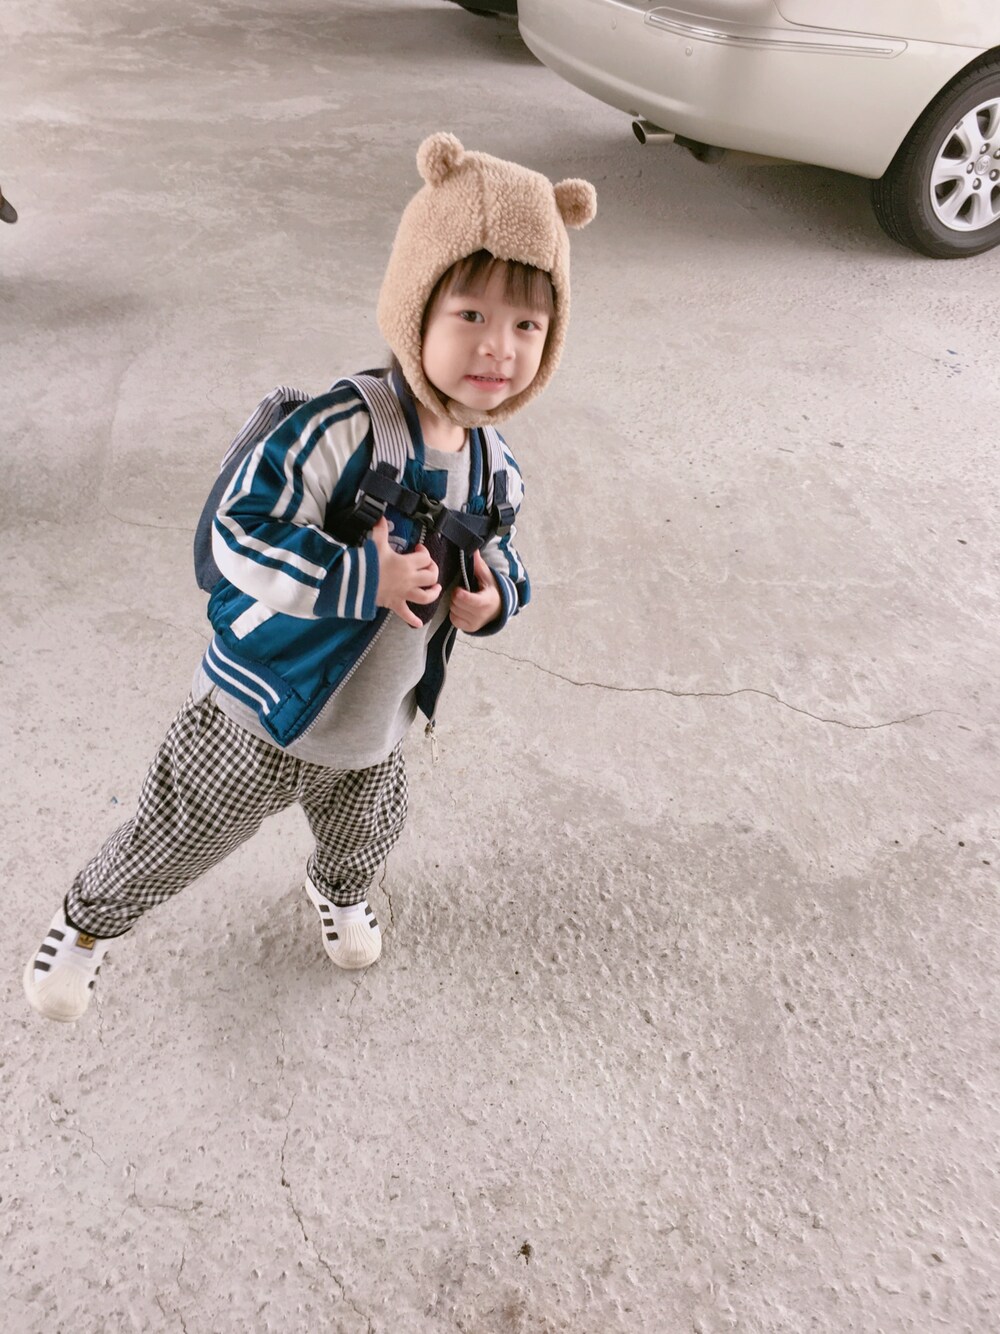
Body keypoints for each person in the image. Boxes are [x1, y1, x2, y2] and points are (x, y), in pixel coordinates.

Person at [23, 131, 596, 1023]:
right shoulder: (342, 426)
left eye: (528, 325)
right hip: (261, 711)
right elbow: (240, 528)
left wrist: (492, 600)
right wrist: (361, 578)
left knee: (368, 833)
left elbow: (505, 552)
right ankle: (86, 924)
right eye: (471, 315)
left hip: (374, 725)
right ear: (415, 307)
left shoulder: (496, 466)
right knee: (178, 832)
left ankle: (337, 891)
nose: (499, 348)